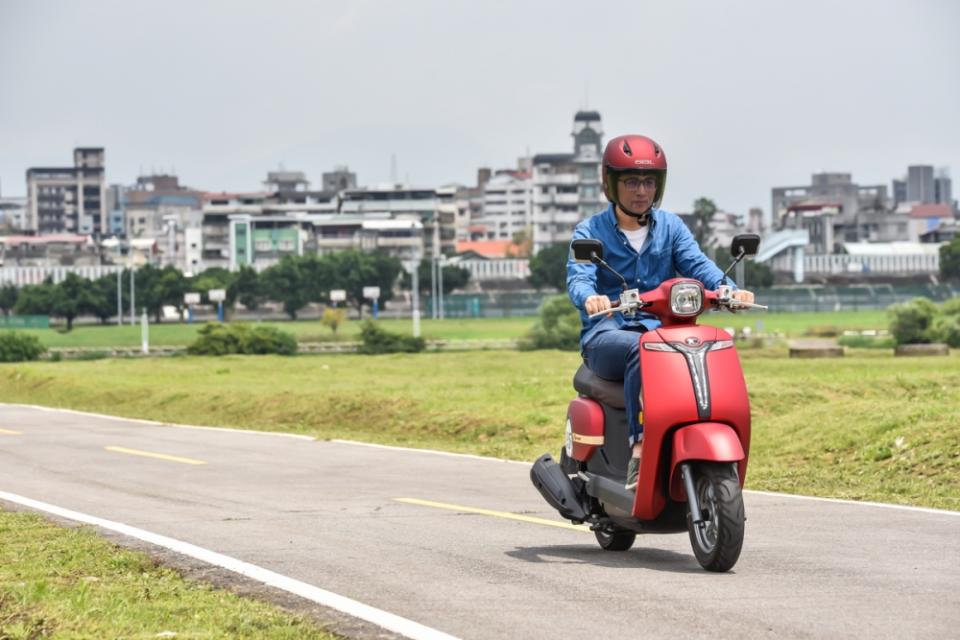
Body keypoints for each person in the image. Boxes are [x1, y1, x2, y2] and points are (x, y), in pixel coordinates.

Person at [566, 134, 754, 490]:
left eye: (649, 181)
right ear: (611, 184)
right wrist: (591, 298)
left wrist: (728, 290)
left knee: (709, 343)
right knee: (644, 348)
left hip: (660, 330)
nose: (641, 191)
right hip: (607, 334)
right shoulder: (590, 231)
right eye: (632, 181)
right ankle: (639, 447)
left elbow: (698, 265)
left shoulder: (671, 227)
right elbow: (579, 277)